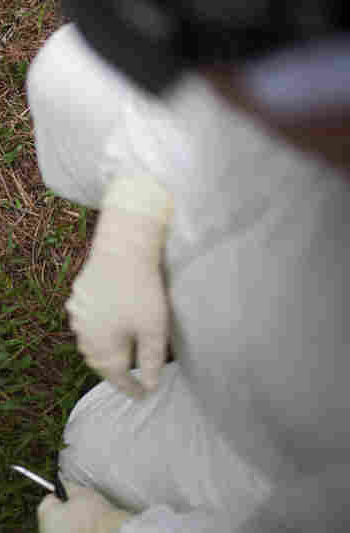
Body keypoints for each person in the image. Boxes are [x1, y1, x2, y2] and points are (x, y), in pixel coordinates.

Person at [27, 1, 350, 531]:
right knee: (75, 80)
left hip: (295, 446)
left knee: (87, 448)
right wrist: (133, 217)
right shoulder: (301, 78)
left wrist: (113, 529)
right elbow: (201, 92)